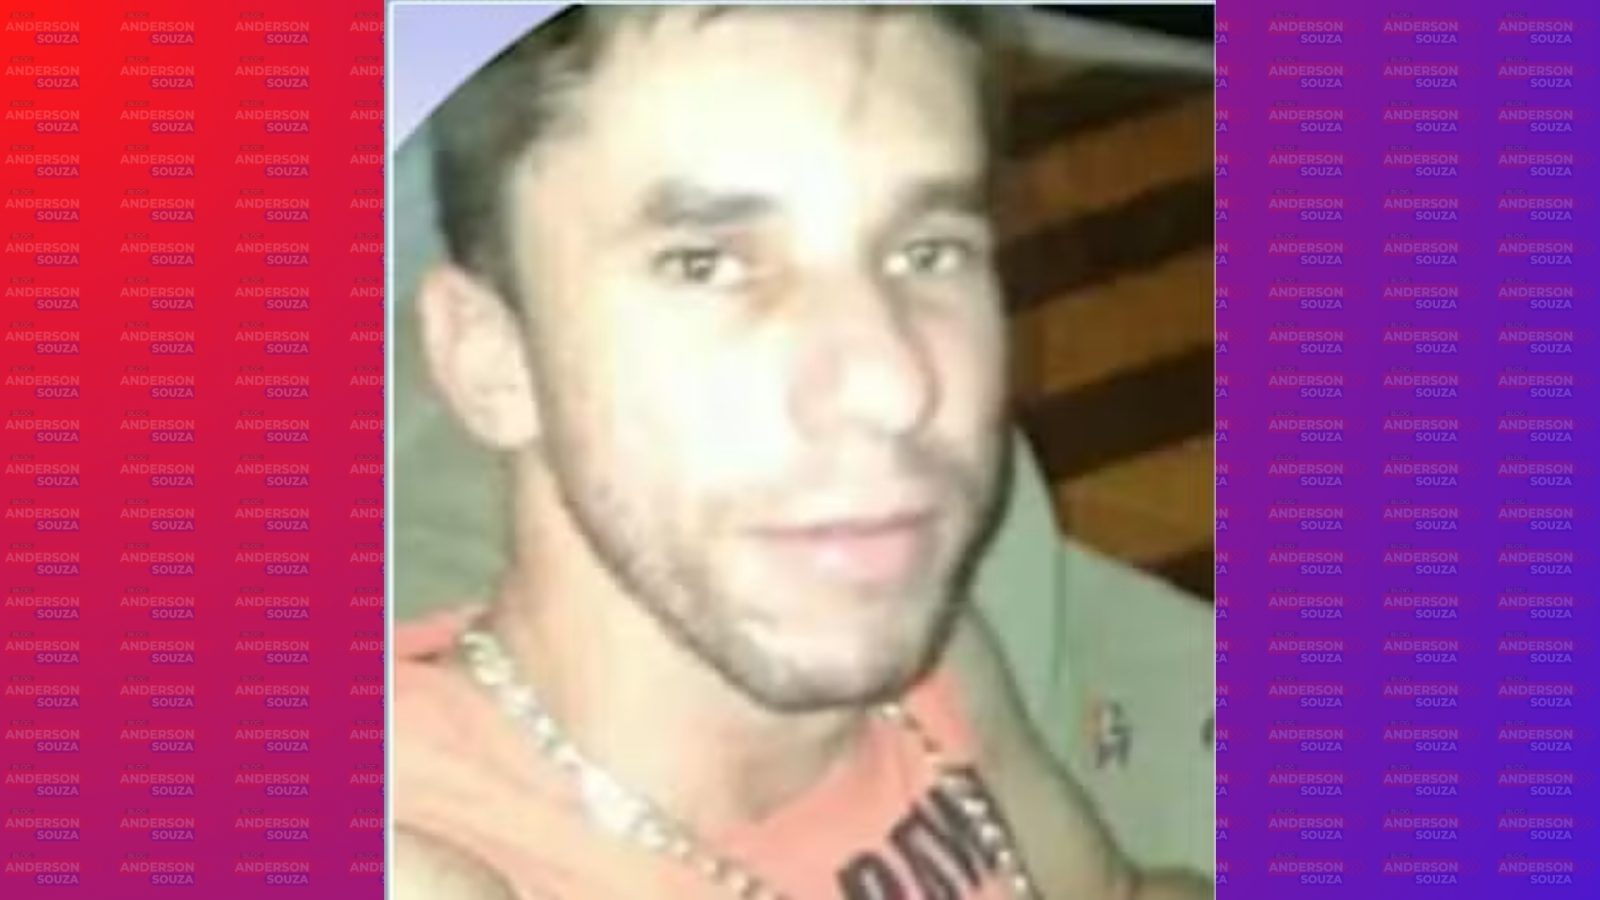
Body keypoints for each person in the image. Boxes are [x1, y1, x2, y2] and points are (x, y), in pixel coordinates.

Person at [395, 6, 1211, 898]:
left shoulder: (901, 630)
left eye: (927, 251)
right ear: (491, 360)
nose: (895, 384)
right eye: (705, 265)